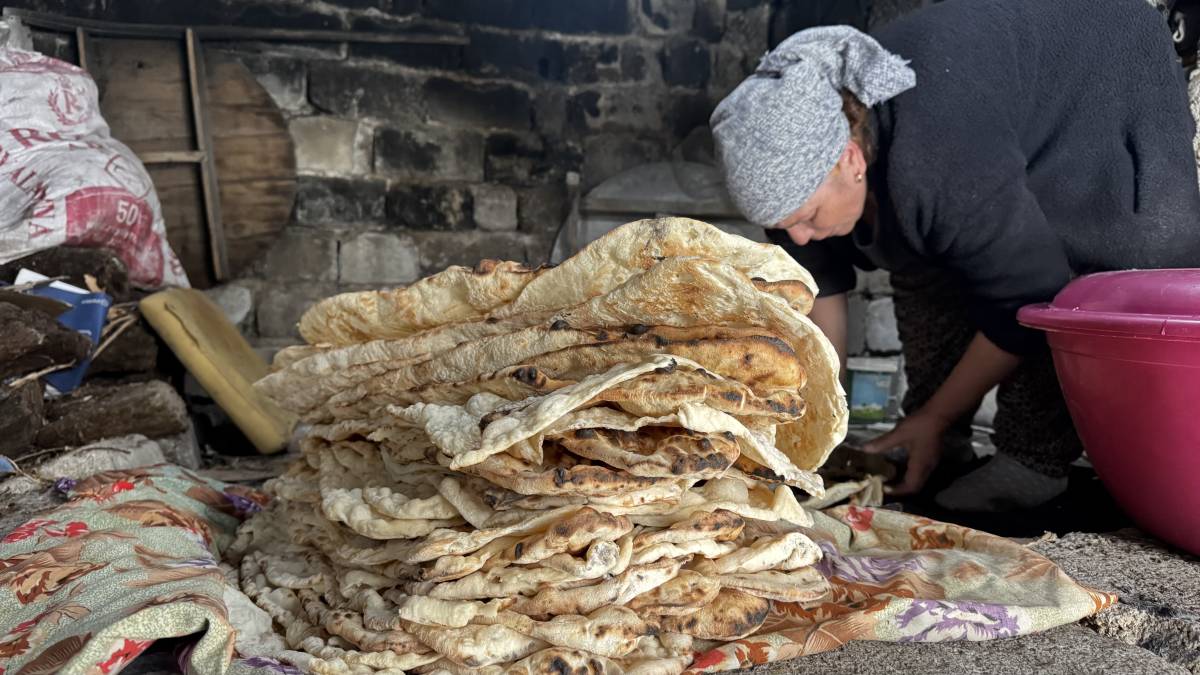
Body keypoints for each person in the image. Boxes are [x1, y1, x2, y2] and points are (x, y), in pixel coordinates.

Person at [710, 0, 1200, 512]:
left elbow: (1028, 294)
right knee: (922, 258)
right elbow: (821, 296)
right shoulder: (783, 174)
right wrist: (815, 428)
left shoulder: (937, 162)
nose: (801, 237)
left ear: (850, 158)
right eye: (786, 226)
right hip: (971, 102)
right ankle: (936, 445)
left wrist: (938, 416)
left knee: (1092, 277)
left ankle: (1032, 461)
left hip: (1099, 61)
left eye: (808, 217)